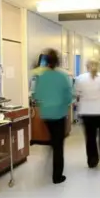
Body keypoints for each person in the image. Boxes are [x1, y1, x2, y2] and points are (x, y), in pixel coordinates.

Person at [33, 49, 72, 184]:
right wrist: (65, 105)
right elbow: (68, 96)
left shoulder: (41, 77)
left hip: (46, 114)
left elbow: (36, 96)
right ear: (57, 62)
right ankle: (57, 177)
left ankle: (50, 150)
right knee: (58, 146)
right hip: (59, 114)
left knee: (53, 139)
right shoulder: (62, 77)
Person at [75, 59, 100, 168]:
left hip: (86, 112)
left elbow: (77, 94)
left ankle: (92, 160)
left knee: (90, 137)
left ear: (86, 66)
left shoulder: (79, 79)